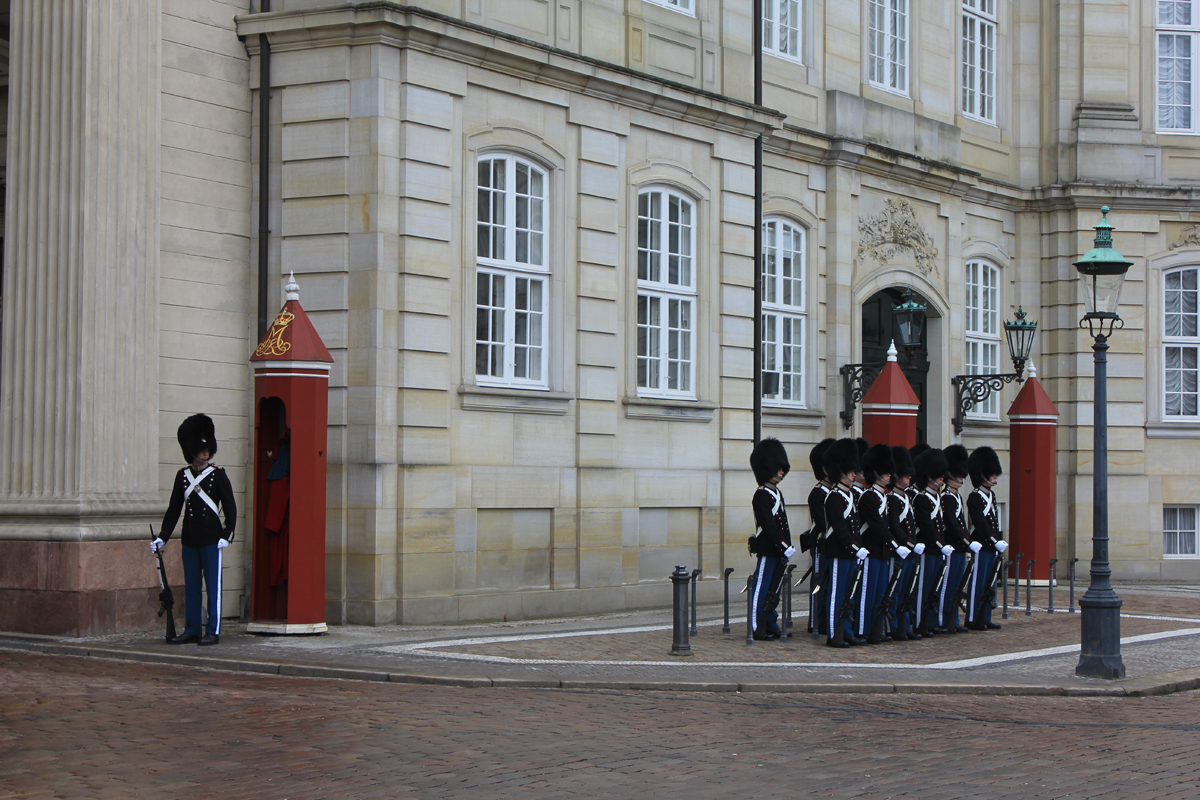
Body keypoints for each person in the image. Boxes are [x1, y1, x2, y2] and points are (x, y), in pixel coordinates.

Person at [153, 414, 237, 645]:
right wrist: (163, 536)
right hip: (190, 539)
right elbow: (174, 509)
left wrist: (227, 534)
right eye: (201, 449)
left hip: (211, 539)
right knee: (191, 587)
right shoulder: (182, 476)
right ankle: (192, 629)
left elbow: (230, 507)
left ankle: (213, 630)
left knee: (213, 588)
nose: (205, 452)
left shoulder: (218, 474)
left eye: (207, 449)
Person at [748, 437, 795, 641]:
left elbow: (783, 522)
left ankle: (770, 622)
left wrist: (786, 545)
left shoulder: (776, 492)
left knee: (773, 590)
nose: (782, 471)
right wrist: (782, 544)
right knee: (762, 588)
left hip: (779, 549)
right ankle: (756, 625)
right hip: (769, 547)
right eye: (778, 468)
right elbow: (768, 524)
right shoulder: (761, 495)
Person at [823, 438, 866, 647]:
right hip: (840, 551)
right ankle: (834, 633)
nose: (853, 474)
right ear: (840, 471)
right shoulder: (834, 497)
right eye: (850, 471)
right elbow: (839, 527)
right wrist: (852, 546)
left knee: (849, 594)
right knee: (837, 595)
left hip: (851, 551)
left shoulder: (850, 495)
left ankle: (846, 630)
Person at [858, 444, 902, 644]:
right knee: (868, 594)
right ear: (876, 473)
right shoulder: (868, 497)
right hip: (871, 550)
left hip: (882, 551)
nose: (889, 475)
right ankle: (863, 630)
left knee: (881, 594)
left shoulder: (882, 496)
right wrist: (894, 543)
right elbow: (877, 525)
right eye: (885, 472)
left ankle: (877, 629)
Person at [966, 446, 1009, 630]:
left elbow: (993, 522)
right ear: (982, 474)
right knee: (978, 583)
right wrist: (993, 540)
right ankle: (973, 617)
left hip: (991, 546)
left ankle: (986, 616)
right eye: (991, 474)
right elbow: (981, 524)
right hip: (982, 545)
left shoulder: (990, 495)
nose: (994, 477)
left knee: (989, 583)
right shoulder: (975, 497)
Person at [912, 448, 952, 637]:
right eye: (939, 475)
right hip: (928, 548)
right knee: (923, 588)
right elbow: (926, 526)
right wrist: (938, 544)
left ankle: (931, 621)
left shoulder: (937, 497)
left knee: (935, 588)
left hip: (937, 549)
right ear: (929, 476)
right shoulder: (921, 498)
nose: (942, 478)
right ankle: (920, 622)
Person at [887, 446, 922, 640]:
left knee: (908, 590)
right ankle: (893, 625)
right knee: (896, 590)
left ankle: (904, 624)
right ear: (897, 476)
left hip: (910, 550)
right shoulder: (891, 499)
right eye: (906, 476)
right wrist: (907, 544)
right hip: (900, 552)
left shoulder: (906, 497)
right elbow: (894, 526)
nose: (909, 479)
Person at [940, 444, 972, 634]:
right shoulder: (946, 497)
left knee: (957, 585)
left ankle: (954, 618)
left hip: (959, 547)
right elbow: (951, 522)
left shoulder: (957, 497)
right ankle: (944, 618)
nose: (960, 479)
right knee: (948, 584)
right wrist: (965, 539)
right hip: (951, 545)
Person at [806, 438, 836, 636]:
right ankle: (815, 620)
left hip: (834, 543)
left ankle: (826, 619)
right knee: (820, 582)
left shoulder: (835, 491)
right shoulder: (817, 493)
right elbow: (823, 522)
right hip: (821, 543)